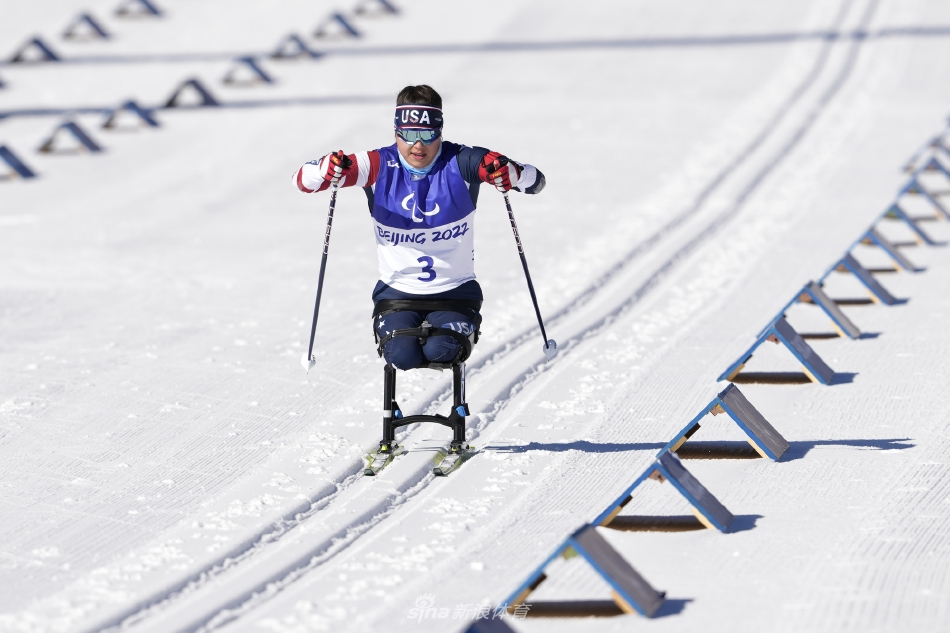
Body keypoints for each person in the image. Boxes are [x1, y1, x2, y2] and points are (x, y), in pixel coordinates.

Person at [293, 84, 545, 370]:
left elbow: (535, 181)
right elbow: (302, 180)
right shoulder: (376, 164)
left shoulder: (462, 161)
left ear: (440, 131)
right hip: (397, 294)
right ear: (396, 132)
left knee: (442, 349)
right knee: (402, 355)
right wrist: (324, 169)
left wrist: (511, 173)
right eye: (409, 134)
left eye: (428, 134)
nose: (418, 145)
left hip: (456, 292)